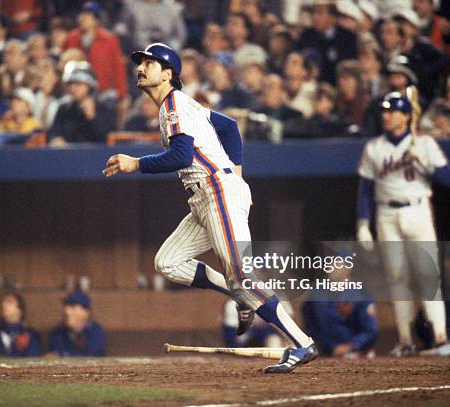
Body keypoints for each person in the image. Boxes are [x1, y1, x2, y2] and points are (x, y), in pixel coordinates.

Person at [103, 43, 317, 373]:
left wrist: (136, 164)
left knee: (244, 278)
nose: (141, 67)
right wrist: (237, 174)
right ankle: (239, 297)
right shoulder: (182, 105)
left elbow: (181, 157)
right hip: (207, 195)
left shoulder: (173, 103)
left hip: (217, 191)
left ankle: (302, 343)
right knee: (168, 262)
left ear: (168, 73)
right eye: (140, 62)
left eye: (150, 63)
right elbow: (230, 127)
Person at [356, 92, 450, 356]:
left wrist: (425, 165)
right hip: (387, 214)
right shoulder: (374, 147)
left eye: (392, 111)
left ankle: (441, 337)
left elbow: (449, 179)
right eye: (385, 111)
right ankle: (405, 339)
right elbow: (365, 189)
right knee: (396, 278)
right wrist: (363, 223)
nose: (386, 116)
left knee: (428, 276)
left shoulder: (424, 144)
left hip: (418, 210)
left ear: (406, 116)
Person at [302, 253, 379, 358]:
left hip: (357, 353)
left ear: (347, 268)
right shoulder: (317, 295)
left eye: (336, 263)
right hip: (325, 353)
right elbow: (310, 324)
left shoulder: (361, 296)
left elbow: (370, 331)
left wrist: (351, 346)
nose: (331, 267)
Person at [64, 2, 127, 102]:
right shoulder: (72, 38)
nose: (83, 18)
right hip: (78, 89)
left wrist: (122, 94)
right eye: (82, 14)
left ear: (96, 20)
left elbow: (118, 68)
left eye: (88, 15)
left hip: (104, 92)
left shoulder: (109, 40)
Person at [48, 61, 115, 144]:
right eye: (70, 84)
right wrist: (56, 139)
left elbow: (108, 140)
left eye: (78, 83)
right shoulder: (63, 109)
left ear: (89, 85)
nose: (72, 88)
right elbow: (53, 133)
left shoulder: (104, 108)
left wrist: (92, 118)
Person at [295, 0, 358, 84]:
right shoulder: (306, 36)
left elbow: (349, 68)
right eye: (313, 13)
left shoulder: (348, 38)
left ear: (333, 18)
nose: (315, 17)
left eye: (320, 13)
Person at [0, 292, 42, 357]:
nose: (3, 305)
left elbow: (34, 358)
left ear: (20, 310)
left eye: (9, 302)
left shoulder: (31, 335)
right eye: (2, 302)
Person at [47, 290, 106, 357]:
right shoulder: (58, 333)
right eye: (65, 306)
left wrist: (63, 356)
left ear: (86, 312)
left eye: (72, 306)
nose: (66, 311)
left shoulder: (95, 331)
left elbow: (90, 358)